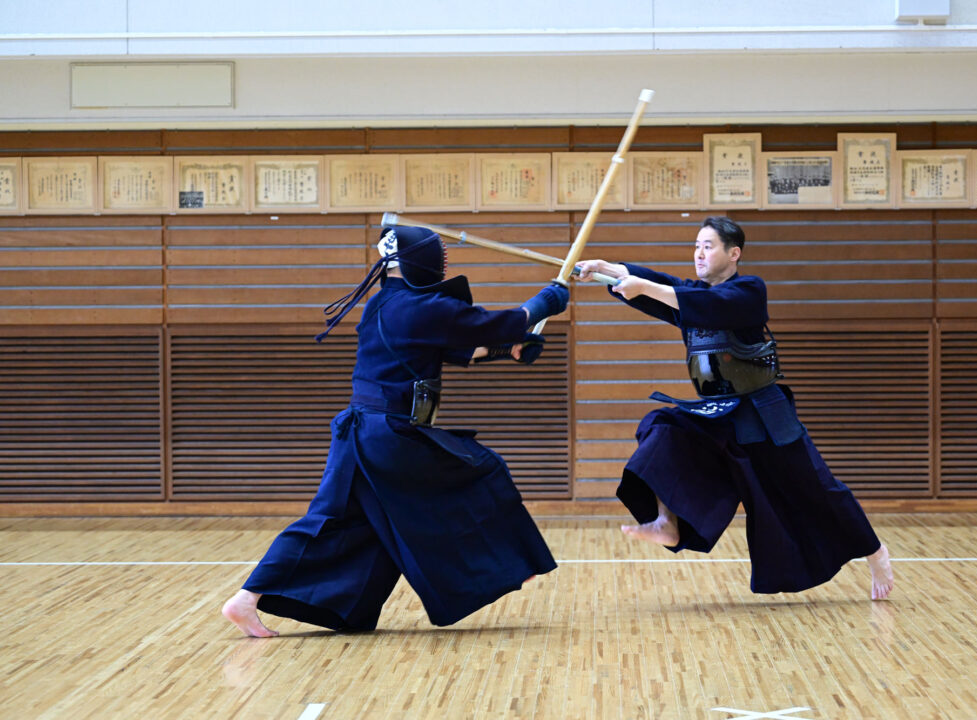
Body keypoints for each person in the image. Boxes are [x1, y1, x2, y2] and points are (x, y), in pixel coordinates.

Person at [223, 224, 570, 636]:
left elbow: (450, 345)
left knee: (346, 521)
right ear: (421, 262)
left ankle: (247, 598)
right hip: (389, 436)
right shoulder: (423, 307)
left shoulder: (384, 304)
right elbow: (499, 323)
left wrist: (505, 350)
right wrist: (547, 301)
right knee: (481, 472)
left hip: (361, 433)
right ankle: (509, 562)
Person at [575, 216, 894, 600]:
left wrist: (644, 286)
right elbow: (659, 285)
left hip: (763, 413)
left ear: (734, 253)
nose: (699, 253)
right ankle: (666, 521)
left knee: (818, 489)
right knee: (662, 426)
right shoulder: (691, 295)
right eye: (696, 246)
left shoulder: (749, 291)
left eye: (708, 246)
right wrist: (605, 270)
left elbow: (704, 303)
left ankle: (875, 552)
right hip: (719, 415)